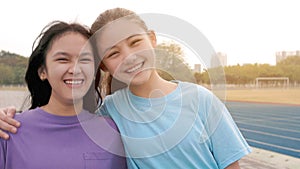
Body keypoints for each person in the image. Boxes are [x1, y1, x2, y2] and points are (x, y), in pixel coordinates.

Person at [0, 8, 251, 169]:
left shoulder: (200, 100)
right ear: (105, 65)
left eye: (135, 42)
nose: (129, 57)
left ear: (152, 39)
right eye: (114, 53)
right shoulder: (109, 112)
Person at [0, 20, 126, 169]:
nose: (75, 69)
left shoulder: (113, 131)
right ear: (42, 71)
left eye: (85, 60)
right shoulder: (9, 130)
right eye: (62, 59)